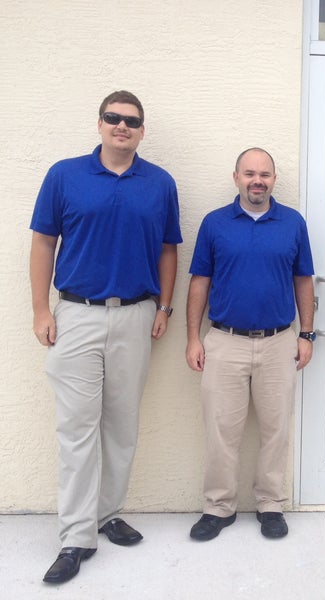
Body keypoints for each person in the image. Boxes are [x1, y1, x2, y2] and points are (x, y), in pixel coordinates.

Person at [30, 90, 182, 583]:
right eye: (113, 118)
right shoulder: (64, 175)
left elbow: (168, 249)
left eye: (131, 121)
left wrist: (164, 306)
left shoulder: (159, 183)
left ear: (142, 130)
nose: (122, 126)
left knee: (122, 425)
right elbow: (43, 242)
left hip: (136, 315)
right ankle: (76, 536)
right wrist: (40, 309)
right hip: (76, 315)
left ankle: (108, 513)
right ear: (99, 124)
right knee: (77, 429)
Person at [186, 147, 315, 540]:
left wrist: (306, 334)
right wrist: (193, 338)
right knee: (221, 431)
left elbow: (303, 280)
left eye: (264, 174)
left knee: (276, 430)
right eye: (249, 174)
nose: (257, 181)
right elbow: (200, 282)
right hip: (225, 341)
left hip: (279, 342)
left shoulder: (292, 223)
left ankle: (271, 504)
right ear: (236, 178)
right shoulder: (214, 223)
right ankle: (218, 507)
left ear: (273, 179)